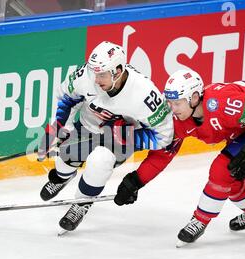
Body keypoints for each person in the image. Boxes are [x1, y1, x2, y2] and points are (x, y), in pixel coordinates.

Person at [113, 69, 245, 247]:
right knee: (231, 175)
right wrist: (136, 180)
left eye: (176, 103)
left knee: (222, 170)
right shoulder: (179, 119)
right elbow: (163, 153)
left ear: (194, 98)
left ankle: (200, 221)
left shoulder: (223, 103)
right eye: (169, 102)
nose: (171, 108)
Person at [37, 41, 174, 233]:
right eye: (94, 73)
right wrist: (61, 128)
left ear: (117, 71)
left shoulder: (144, 93)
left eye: (101, 75)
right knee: (65, 158)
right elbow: (66, 98)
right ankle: (62, 177)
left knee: (99, 161)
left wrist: (129, 137)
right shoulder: (87, 74)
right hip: (86, 127)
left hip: (119, 141)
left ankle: (83, 202)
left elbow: (164, 136)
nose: (95, 80)